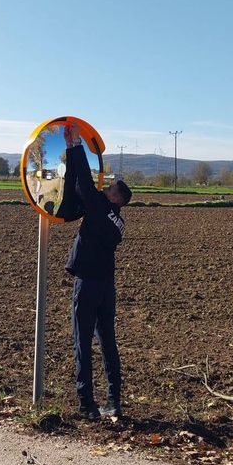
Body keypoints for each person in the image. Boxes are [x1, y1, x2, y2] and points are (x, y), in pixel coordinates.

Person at [62, 123, 133, 420]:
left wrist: (76, 145)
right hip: (107, 289)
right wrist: (71, 149)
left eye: (111, 187)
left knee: (82, 343)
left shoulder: (100, 208)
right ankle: (113, 402)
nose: (107, 187)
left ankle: (86, 404)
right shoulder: (117, 222)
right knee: (108, 344)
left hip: (88, 286)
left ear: (116, 198)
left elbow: (85, 184)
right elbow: (85, 190)